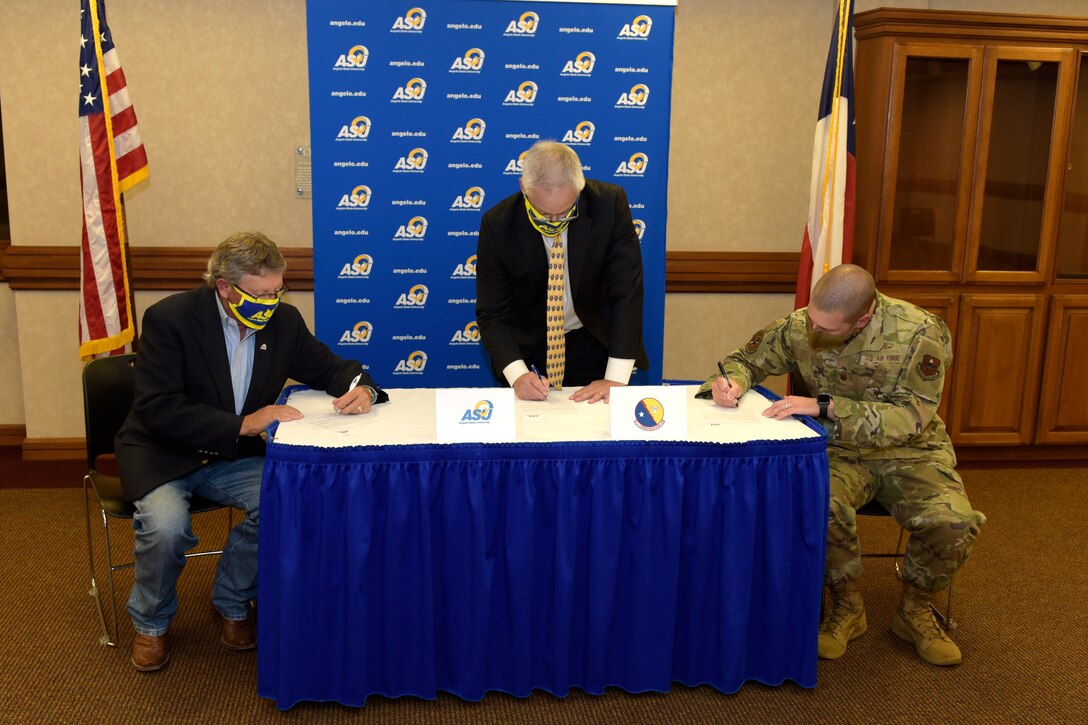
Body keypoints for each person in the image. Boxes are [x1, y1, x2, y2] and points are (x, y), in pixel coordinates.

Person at [114, 231, 387, 672]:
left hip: (229, 455)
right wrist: (244, 424)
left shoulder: (283, 322)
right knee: (166, 528)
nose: (272, 301)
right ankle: (151, 623)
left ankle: (232, 600)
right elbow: (157, 408)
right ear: (224, 286)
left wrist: (366, 389)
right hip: (164, 452)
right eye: (261, 293)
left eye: (278, 291)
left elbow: (330, 367)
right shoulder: (170, 319)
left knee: (285, 502)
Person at [701, 264, 985, 666]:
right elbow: (745, 360)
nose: (814, 332)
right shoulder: (804, 324)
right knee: (821, 505)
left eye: (828, 329)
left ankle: (915, 610)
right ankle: (848, 607)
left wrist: (825, 407)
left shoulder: (919, 332)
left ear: (864, 318)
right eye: (812, 319)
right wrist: (731, 382)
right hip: (839, 451)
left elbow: (910, 417)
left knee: (953, 522)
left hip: (912, 452)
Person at [475, 140, 648, 404]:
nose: (555, 222)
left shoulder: (609, 205)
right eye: (543, 213)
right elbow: (493, 313)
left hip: (593, 342)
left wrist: (615, 378)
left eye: (566, 213)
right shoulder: (497, 224)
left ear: (579, 188)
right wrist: (518, 375)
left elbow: (626, 293)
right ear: (524, 188)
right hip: (530, 348)